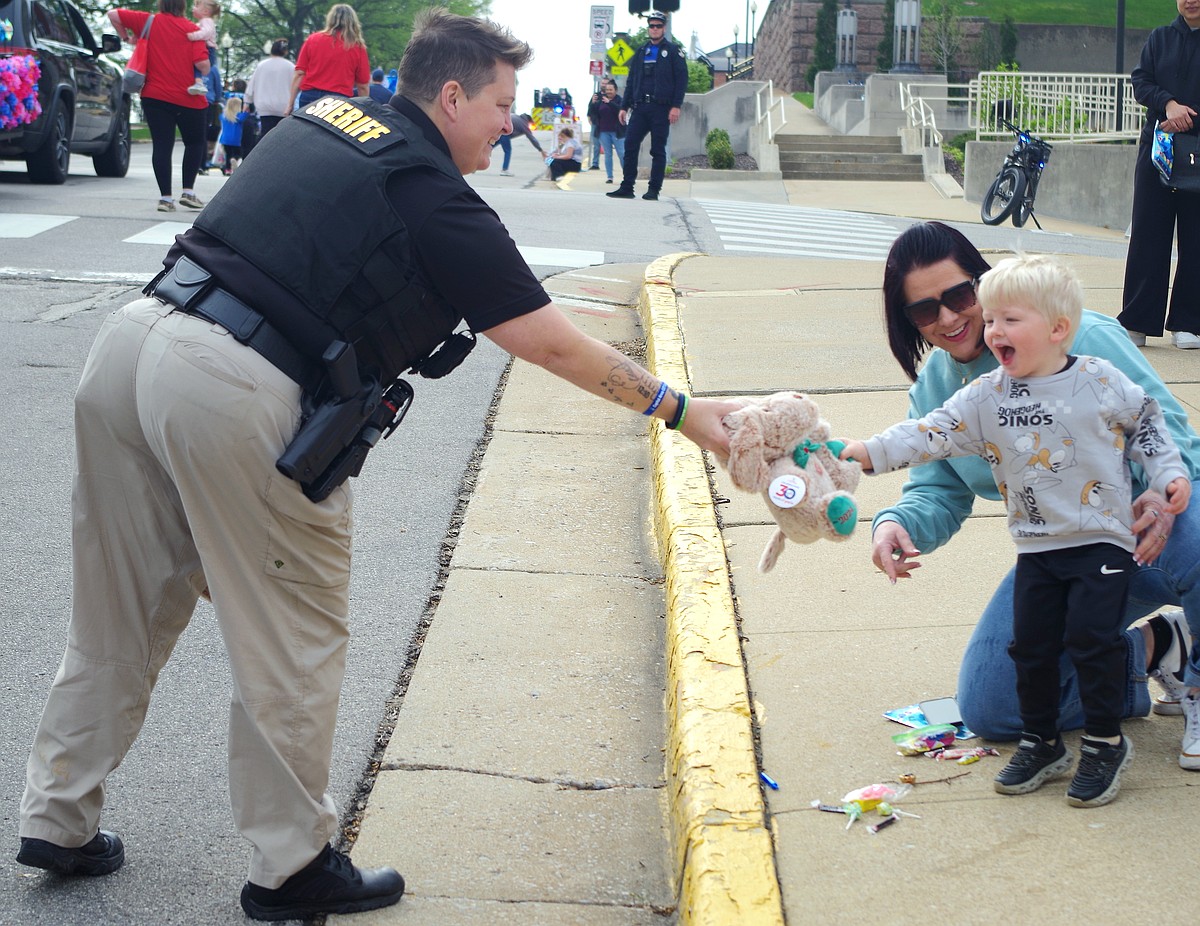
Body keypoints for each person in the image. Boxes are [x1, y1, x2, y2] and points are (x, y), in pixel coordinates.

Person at [14, 9, 741, 922]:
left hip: (131, 344)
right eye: (502, 105)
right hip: (229, 386)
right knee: (292, 631)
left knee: (117, 608)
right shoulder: (431, 194)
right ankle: (291, 866)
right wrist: (684, 412)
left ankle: (58, 816)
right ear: (452, 96)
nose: (511, 124)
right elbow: (550, 344)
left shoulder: (328, 120)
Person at [844, 255, 1192, 807]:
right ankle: (1043, 741)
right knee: (1029, 648)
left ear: (1058, 328)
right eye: (991, 321)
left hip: (1105, 540)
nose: (990, 330)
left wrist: (1168, 478)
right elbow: (927, 436)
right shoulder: (985, 395)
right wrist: (864, 454)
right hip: (1039, 549)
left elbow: (1151, 425)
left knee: (1091, 640)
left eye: (1006, 319)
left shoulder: (1099, 377)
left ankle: (1105, 744)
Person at [1119, 0, 1200, 351]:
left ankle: (1188, 323)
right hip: (1158, 150)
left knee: (1196, 238)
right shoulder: (1160, 37)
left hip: (1197, 150)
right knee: (1148, 233)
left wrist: (1187, 117)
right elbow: (1141, 81)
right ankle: (1138, 320)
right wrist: (1168, 104)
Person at [108, 0, 211, 212]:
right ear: (183, 6)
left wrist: (125, 37)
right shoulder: (193, 30)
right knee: (195, 143)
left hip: (155, 96)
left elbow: (113, 14)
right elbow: (203, 66)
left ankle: (166, 198)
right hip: (189, 98)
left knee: (162, 145)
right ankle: (188, 191)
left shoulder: (148, 21)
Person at [606, 10, 686, 202]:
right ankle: (627, 187)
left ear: (664, 28)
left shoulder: (673, 52)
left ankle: (653, 190)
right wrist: (624, 106)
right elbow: (632, 80)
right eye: (652, 26)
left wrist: (676, 106)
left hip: (661, 108)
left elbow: (681, 80)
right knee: (630, 144)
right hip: (640, 107)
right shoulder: (641, 52)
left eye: (658, 26)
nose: (655, 29)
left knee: (657, 150)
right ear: (648, 28)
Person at [290, 3, 369, 110]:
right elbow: (362, 86)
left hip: (310, 97)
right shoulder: (357, 47)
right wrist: (364, 110)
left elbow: (299, 73)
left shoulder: (313, 39)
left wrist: (290, 104)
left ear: (330, 19)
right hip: (338, 99)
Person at [245, 38, 294, 137]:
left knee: (265, 133)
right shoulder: (291, 67)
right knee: (280, 135)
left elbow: (251, 86)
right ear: (285, 51)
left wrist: (247, 102)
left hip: (264, 105)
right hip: (283, 106)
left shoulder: (262, 65)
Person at [590, 78, 625, 184]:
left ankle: (627, 175)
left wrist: (609, 103)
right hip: (603, 131)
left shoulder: (619, 100)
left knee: (621, 153)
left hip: (617, 132)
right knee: (608, 154)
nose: (608, 92)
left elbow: (620, 110)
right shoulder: (601, 100)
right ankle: (610, 177)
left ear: (615, 90)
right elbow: (593, 112)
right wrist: (593, 103)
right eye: (607, 90)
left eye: (611, 90)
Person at [185, 0, 219, 97]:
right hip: (207, 50)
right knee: (196, 67)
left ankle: (199, 83)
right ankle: (198, 83)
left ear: (205, 11)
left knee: (197, 65)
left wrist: (193, 36)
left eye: (196, 6)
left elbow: (206, 33)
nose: (193, 8)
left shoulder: (207, 21)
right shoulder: (203, 22)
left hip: (208, 50)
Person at [217, 93, 247, 174]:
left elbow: (220, 118)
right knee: (238, 153)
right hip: (236, 139)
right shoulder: (238, 116)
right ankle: (235, 160)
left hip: (225, 139)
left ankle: (228, 169)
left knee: (228, 154)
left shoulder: (224, 116)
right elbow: (244, 117)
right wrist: (246, 110)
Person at [547, 125, 582, 190]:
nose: (560, 138)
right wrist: (558, 154)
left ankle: (560, 176)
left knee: (555, 162)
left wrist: (557, 157)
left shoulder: (570, 144)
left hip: (575, 164)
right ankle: (554, 178)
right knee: (552, 161)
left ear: (564, 135)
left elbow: (568, 156)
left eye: (561, 136)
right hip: (572, 162)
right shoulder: (569, 142)